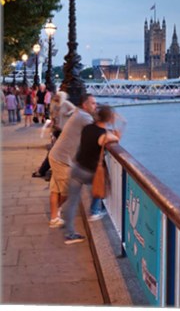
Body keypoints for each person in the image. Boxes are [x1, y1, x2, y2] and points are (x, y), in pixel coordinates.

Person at [64, 105, 122, 245]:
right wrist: (115, 126)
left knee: (72, 202)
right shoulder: (104, 135)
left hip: (77, 167)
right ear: (108, 118)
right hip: (89, 172)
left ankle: (70, 233)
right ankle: (95, 210)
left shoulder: (87, 128)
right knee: (105, 181)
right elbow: (115, 138)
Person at [48, 93, 97, 228]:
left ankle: (54, 217)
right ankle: (55, 215)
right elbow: (97, 130)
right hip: (62, 159)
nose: (96, 105)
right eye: (93, 103)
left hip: (57, 155)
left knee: (56, 189)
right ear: (85, 105)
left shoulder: (79, 113)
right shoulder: (84, 117)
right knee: (66, 191)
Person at [31, 91, 75, 178]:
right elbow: (53, 117)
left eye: (58, 96)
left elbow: (75, 110)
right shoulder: (55, 105)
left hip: (63, 131)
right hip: (57, 131)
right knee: (54, 152)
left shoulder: (66, 104)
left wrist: (67, 114)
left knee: (53, 152)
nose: (56, 97)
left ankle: (42, 170)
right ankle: (44, 170)